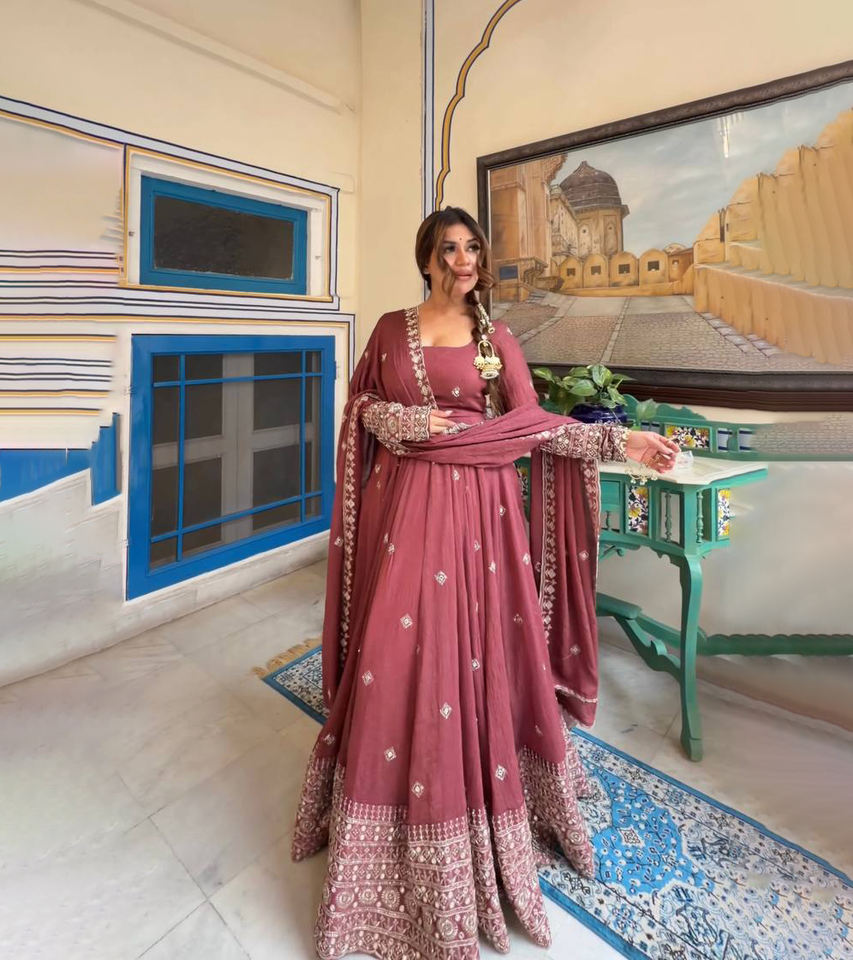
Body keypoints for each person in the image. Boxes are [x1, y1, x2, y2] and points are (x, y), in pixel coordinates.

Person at [291, 207, 679, 960]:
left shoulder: (496, 338)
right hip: (406, 505)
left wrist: (621, 439)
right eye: (449, 248)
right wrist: (404, 422)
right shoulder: (390, 329)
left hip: (483, 514)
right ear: (426, 257)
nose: (463, 259)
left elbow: (532, 425)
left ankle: (484, 786)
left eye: (472, 248)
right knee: (398, 651)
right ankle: (386, 810)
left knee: (477, 651)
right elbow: (361, 407)